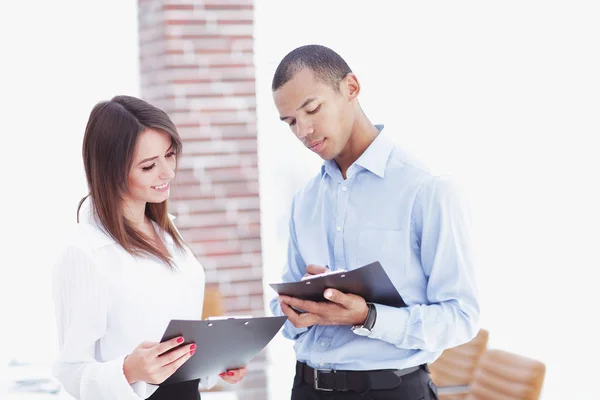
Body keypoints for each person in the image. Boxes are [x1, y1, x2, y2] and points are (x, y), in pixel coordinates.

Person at [269, 44, 480, 399]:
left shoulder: (425, 187)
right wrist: (295, 310)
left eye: (312, 109)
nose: (303, 130)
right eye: (290, 121)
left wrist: (367, 316)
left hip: (390, 390)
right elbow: (284, 302)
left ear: (351, 88)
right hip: (307, 388)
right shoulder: (304, 200)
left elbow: (460, 316)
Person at [52, 95, 247, 400]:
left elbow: (173, 332)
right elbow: (71, 370)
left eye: (169, 155)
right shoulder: (87, 251)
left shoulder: (166, 229)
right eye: (148, 166)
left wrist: (214, 361)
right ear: (111, 171)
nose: (168, 172)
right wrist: (129, 370)